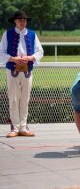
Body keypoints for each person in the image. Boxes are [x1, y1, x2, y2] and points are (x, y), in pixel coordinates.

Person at [0, 10, 44, 138]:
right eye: (20, 20)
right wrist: (14, 59)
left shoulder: (32, 34)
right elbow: (1, 52)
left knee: (25, 99)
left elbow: (40, 51)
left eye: (24, 20)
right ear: (15, 21)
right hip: (12, 69)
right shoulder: (7, 34)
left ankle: (23, 127)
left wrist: (30, 58)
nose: (22, 22)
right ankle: (15, 128)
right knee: (13, 99)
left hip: (27, 70)